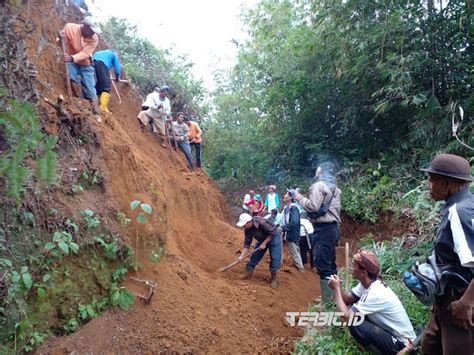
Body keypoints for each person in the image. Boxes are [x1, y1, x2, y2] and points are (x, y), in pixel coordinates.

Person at [419, 154, 473, 355]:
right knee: (430, 346)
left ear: (447, 184)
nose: (428, 184)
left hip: (461, 302)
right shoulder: (463, 206)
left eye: (432, 179)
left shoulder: (460, 212)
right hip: (446, 301)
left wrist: (466, 303)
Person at [328, 250, 416, 354]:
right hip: (392, 334)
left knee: (355, 323)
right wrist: (337, 287)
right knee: (356, 315)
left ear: (363, 272)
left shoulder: (375, 292)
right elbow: (347, 300)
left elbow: (345, 317)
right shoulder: (367, 284)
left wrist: (337, 289)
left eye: (354, 266)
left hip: (404, 345)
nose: (351, 268)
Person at [295, 162, 341, 305]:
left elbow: (313, 206)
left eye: (317, 169)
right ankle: (333, 297)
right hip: (333, 228)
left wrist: (299, 198)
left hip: (323, 229)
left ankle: (327, 302)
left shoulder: (318, 186)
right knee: (331, 263)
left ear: (320, 171)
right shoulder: (335, 188)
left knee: (322, 264)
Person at [58, 16, 101, 121]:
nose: (93, 33)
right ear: (85, 26)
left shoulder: (94, 38)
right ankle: (79, 104)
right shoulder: (70, 28)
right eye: (91, 30)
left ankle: (96, 112)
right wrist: (60, 38)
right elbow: (60, 41)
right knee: (73, 79)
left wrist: (72, 58)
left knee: (90, 88)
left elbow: (86, 53)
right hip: (71, 60)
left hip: (86, 64)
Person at [236, 213, 282, 288]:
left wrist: (264, 243)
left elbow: (273, 233)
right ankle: (247, 274)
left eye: (244, 225)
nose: (244, 227)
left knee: (275, 257)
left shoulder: (262, 222)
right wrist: (241, 256)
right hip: (262, 239)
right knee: (255, 256)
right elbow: (247, 243)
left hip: (274, 237)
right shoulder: (247, 229)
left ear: (249, 222)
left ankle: (274, 278)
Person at [281, 190, 304, 272]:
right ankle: (300, 267)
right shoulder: (287, 208)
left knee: (294, 252)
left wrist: (283, 228)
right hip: (291, 233)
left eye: (287, 194)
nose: (285, 195)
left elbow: (294, 222)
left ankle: (301, 269)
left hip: (292, 233)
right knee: (296, 251)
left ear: (291, 198)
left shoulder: (294, 208)